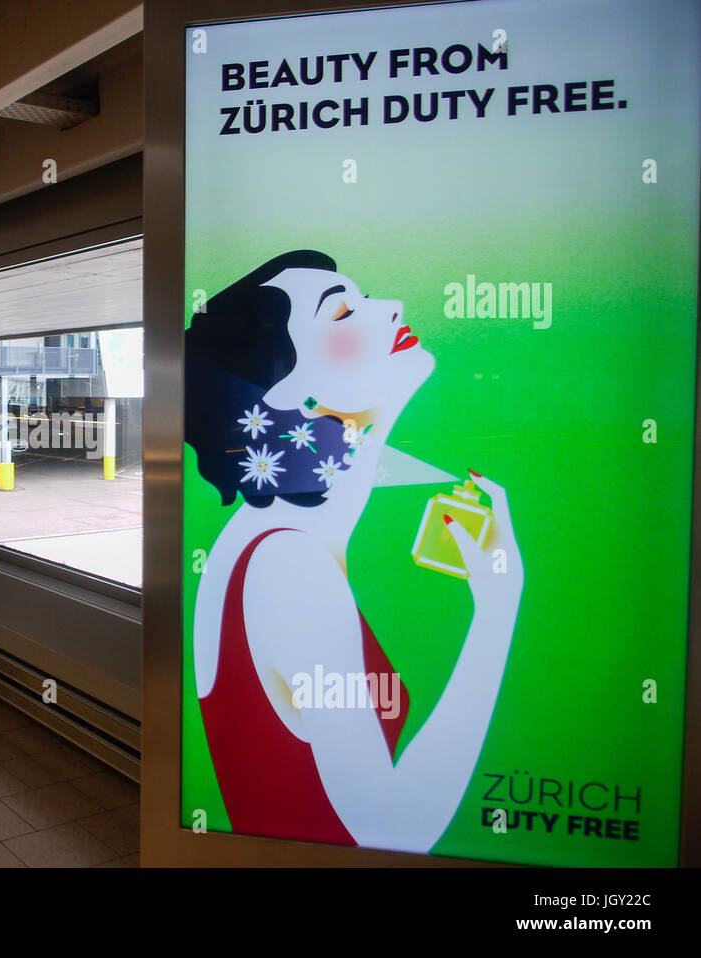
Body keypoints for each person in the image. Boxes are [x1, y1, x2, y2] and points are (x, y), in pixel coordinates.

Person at [186, 250, 523, 855]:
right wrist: (498, 610)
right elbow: (396, 825)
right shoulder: (288, 567)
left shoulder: (265, 542)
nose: (391, 308)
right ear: (290, 395)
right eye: (343, 311)